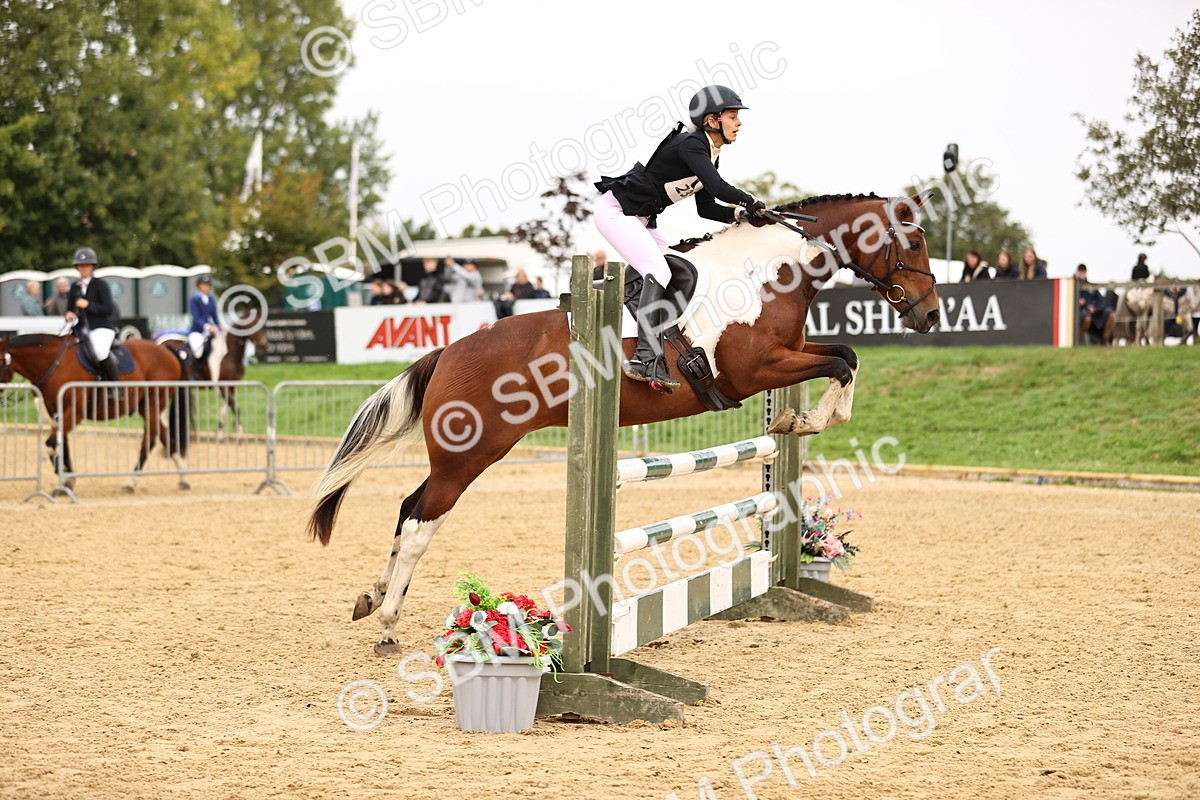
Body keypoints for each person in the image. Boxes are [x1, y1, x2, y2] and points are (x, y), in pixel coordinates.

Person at [593, 84, 766, 390]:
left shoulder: (710, 154)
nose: (739, 123)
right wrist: (747, 200)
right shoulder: (692, 145)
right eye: (732, 116)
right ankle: (644, 358)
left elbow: (707, 208)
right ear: (713, 121)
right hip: (616, 212)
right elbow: (718, 188)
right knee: (658, 270)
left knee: (679, 269)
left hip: (640, 219)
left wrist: (739, 216)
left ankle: (653, 339)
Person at [64, 246, 120, 400]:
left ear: (92, 266)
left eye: (87, 265)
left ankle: (115, 386)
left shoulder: (101, 285)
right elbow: (70, 309)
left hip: (101, 327)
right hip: (81, 329)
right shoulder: (74, 287)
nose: (84, 268)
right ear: (77, 267)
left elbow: (108, 309)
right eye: (81, 266)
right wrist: (69, 314)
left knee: (100, 351)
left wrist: (88, 305)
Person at [188, 274, 223, 361]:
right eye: (203, 284)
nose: (205, 287)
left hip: (209, 332)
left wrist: (219, 325)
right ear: (198, 286)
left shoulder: (211, 299)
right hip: (197, 331)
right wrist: (207, 326)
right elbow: (196, 317)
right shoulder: (194, 299)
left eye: (207, 285)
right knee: (198, 353)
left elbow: (214, 315)